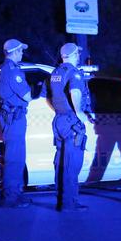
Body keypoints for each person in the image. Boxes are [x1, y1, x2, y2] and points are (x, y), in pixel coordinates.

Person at [49, 43, 92, 212]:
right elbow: (75, 93)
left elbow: (48, 96)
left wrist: (60, 110)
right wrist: (80, 113)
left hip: (59, 120)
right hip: (71, 122)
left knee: (60, 163)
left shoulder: (55, 73)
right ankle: (69, 204)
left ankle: (61, 199)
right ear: (74, 55)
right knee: (72, 164)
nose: (79, 56)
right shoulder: (74, 73)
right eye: (78, 54)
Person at [0, 38, 32, 207]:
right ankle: (11, 197)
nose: (22, 53)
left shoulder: (3, 69)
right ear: (15, 52)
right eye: (21, 51)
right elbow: (27, 96)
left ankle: (15, 194)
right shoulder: (13, 71)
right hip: (14, 118)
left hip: (9, 117)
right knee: (15, 158)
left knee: (15, 157)